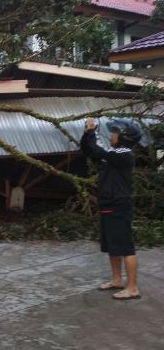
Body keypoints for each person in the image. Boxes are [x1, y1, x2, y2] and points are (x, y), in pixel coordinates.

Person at [80, 117, 142, 300]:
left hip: (118, 206)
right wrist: (87, 133)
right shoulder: (113, 154)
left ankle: (132, 288)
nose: (112, 135)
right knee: (113, 246)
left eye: (115, 133)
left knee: (125, 247)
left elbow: (99, 150)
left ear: (124, 137)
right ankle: (117, 280)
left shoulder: (124, 153)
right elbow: (91, 150)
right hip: (108, 204)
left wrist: (93, 131)